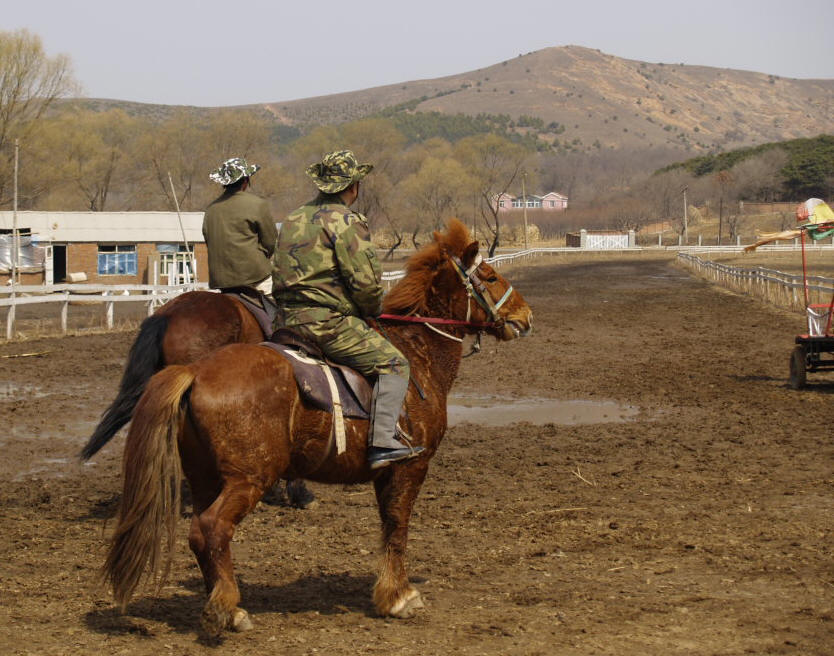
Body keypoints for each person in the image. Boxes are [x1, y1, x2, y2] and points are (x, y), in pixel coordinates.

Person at [272, 149, 424, 469]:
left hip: (284, 321)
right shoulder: (346, 221)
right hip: (327, 324)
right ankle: (383, 441)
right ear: (352, 187)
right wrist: (371, 310)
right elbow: (365, 283)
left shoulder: (293, 217)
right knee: (394, 363)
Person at [203, 157, 278, 304]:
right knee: (280, 311)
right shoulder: (257, 205)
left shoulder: (211, 209)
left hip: (221, 281)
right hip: (255, 276)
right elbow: (271, 242)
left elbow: (209, 241)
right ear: (245, 181)